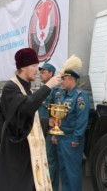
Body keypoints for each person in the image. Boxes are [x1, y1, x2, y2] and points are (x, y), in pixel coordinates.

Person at [0, 48, 61, 191]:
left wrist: (47, 123)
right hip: (15, 147)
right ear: (23, 67)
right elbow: (25, 110)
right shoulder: (10, 87)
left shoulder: (27, 88)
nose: (36, 70)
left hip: (26, 148)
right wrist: (48, 86)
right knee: (9, 183)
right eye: (34, 66)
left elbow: (29, 119)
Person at [55, 69, 90, 191]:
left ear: (71, 79)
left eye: (64, 79)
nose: (61, 81)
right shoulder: (62, 94)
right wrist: (55, 134)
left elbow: (82, 120)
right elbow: (57, 116)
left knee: (73, 171)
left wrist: (76, 138)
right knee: (63, 170)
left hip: (71, 139)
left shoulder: (80, 96)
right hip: (60, 137)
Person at [38, 63, 62, 191]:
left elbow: (57, 114)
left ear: (51, 74)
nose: (40, 73)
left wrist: (54, 134)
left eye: (43, 72)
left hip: (49, 131)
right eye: (40, 71)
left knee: (51, 162)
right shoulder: (44, 90)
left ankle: (52, 188)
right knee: (43, 160)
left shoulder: (56, 91)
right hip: (41, 129)